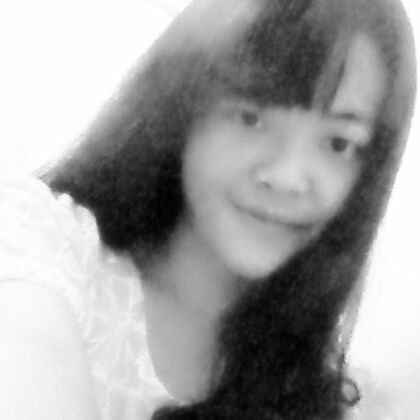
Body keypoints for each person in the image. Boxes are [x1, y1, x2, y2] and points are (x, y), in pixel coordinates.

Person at [0, 0, 415, 419]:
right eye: (251, 118)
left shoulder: (324, 401)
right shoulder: (43, 244)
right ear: (182, 107)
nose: (288, 176)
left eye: (339, 143)